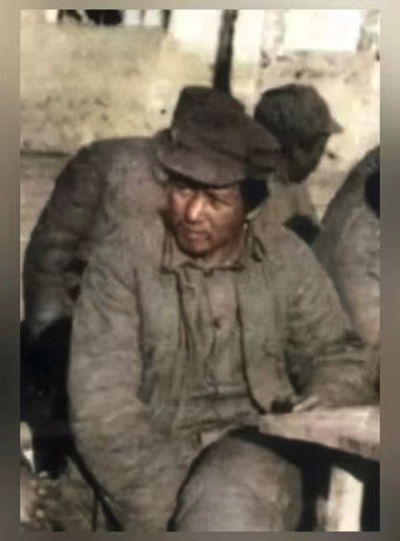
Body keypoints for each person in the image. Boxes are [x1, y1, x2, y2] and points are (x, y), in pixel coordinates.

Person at [68, 103, 377, 531]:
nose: (193, 213)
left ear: (250, 204)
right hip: (151, 463)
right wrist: (172, 516)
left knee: (232, 488)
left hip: (257, 452)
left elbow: (338, 354)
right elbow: (104, 411)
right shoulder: (121, 262)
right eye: (183, 190)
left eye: (216, 199)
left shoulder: (286, 258)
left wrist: (328, 393)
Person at [254, 83, 343, 244]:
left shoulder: (292, 182)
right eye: (319, 148)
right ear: (296, 151)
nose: (321, 157)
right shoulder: (264, 205)